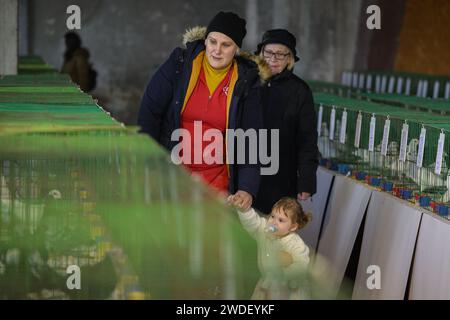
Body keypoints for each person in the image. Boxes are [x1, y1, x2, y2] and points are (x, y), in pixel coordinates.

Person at [138, 12, 269, 209]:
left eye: (226, 45)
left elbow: (252, 137)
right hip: (173, 173)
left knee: (207, 237)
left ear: (236, 49)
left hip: (216, 182)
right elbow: (150, 111)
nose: (217, 50)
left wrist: (246, 188)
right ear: (205, 40)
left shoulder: (246, 82)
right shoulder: (179, 64)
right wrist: (147, 162)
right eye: (213, 41)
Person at [253, 29, 319, 215]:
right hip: (246, 170)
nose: (273, 59)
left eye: (280, 54)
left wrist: (306, 180)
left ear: (289, 58)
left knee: (273, 229)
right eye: (269, 53)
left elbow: (307, 138)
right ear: (261, 54)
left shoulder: (300, 91)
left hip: (281, 175)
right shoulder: (248, 82)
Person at [229, 195, 311, 300]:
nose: (273, 222)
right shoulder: (265, 230)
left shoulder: (296, 244)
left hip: (288, 288)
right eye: (272, 216)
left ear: (293, 227)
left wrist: (288, 266)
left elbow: (302, 266)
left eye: (281, 220)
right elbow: (254, 224)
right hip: (267, 281)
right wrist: (244, 210)